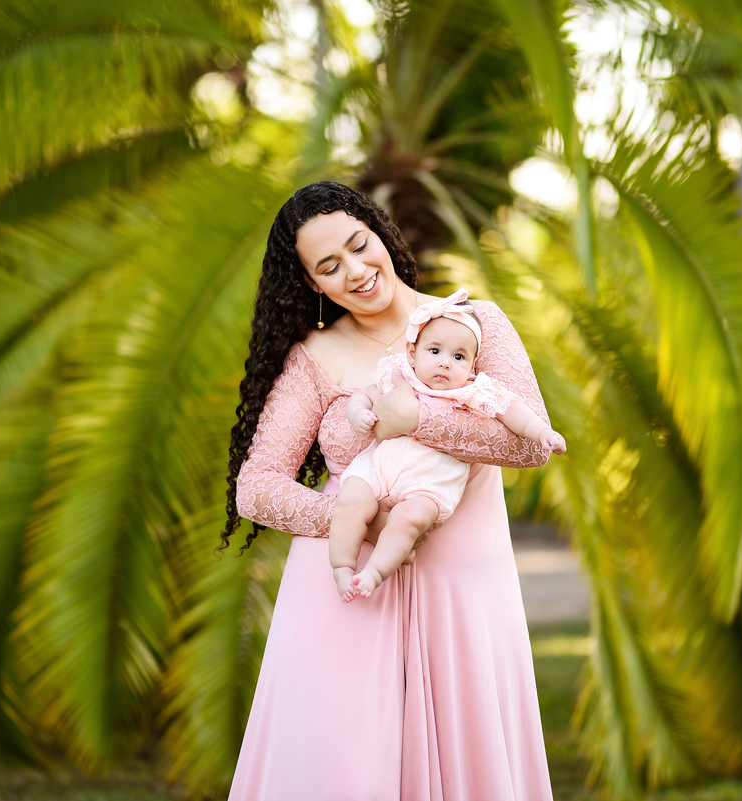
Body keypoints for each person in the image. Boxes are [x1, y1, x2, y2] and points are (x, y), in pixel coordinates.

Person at [223, 181, 554, 800]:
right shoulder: (313, 359)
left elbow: (530, 443)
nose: (355, 270)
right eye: (329, 266)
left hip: (463, 599)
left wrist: (416, 420)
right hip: (346, 602)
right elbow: (257, 488)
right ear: (313, 286)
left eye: (358, 245)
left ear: (381, 233)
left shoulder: (475, 326)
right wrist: (354, 519)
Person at [330, 289, 566, 602]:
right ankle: (343, 566)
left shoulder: (474, 392)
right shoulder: (400, 375)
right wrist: (358, 412)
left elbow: (514, 411)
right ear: (413, 354)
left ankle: (374, 573)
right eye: (435, 351)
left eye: (458, 357)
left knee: (408, 521)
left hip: (431, 485)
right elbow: (364, 395)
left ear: (471, 367)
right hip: (378, 468)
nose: (445, 363)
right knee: (351, 499)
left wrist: (542, 433)